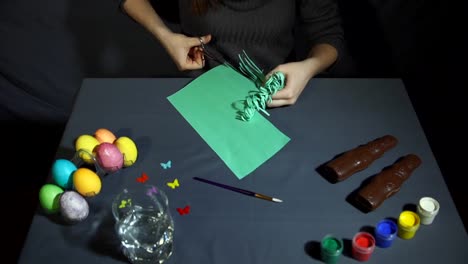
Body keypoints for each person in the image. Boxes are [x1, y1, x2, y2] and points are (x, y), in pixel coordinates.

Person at [119, 0, 345, 107]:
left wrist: (310, 66)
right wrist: (165, 36)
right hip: (200, 93)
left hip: (278, 96)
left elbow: (328, 33)